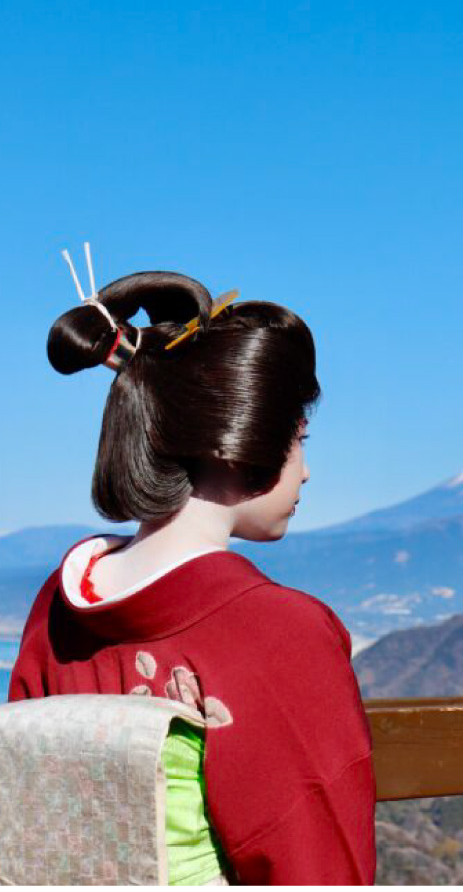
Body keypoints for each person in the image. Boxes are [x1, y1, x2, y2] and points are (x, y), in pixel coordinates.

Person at [7, 257, 376, 885]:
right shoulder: (281, 630)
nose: (307, 471)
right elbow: (318, 860)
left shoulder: (61, 601)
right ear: (242, 434)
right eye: (301, 438)